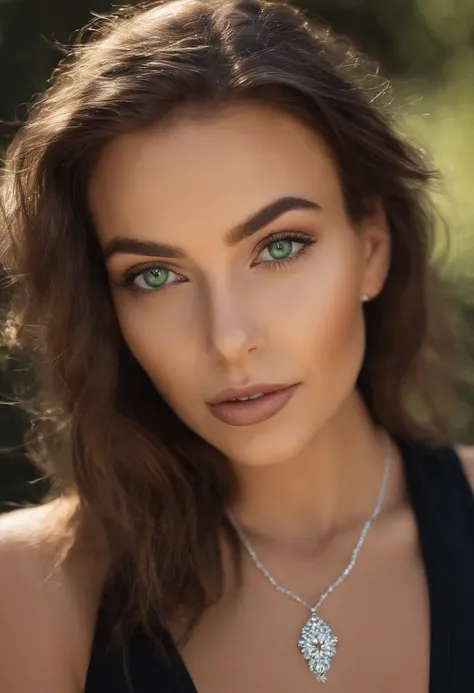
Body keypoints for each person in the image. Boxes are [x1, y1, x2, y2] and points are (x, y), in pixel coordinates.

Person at [0, 0, 473, 690]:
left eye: (279, 247)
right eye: (154, 275)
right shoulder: (30, 593)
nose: (228, 339)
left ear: (372, 246)